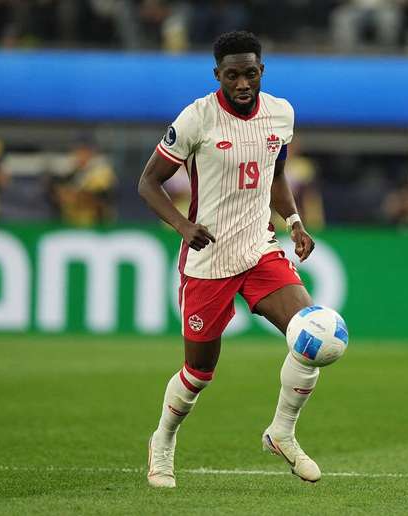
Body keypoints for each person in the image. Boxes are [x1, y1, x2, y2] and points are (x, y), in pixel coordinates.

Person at [138, 30, 330, 488]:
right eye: (231, 75)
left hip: (259, 248)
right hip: (208, 259)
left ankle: (282, 432)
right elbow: (148, 183)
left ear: (261, 70)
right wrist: (183, 226)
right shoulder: (196, 119)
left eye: (249, 73)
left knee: (315, 337)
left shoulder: (281, 114)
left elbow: (276, 174)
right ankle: (163, 440)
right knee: (198, 374)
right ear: (217, 75)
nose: (242, 83)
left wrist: (294, 221)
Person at [49, 133, 117, 226]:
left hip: (96, 225)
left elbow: (103, 196)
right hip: (70, 223)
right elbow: (55, 193)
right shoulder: (67, 170)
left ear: (93, 151)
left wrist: (75, 195)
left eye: (85, 150)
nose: (82, 154)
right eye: (79, 150)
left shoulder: (102, 171)